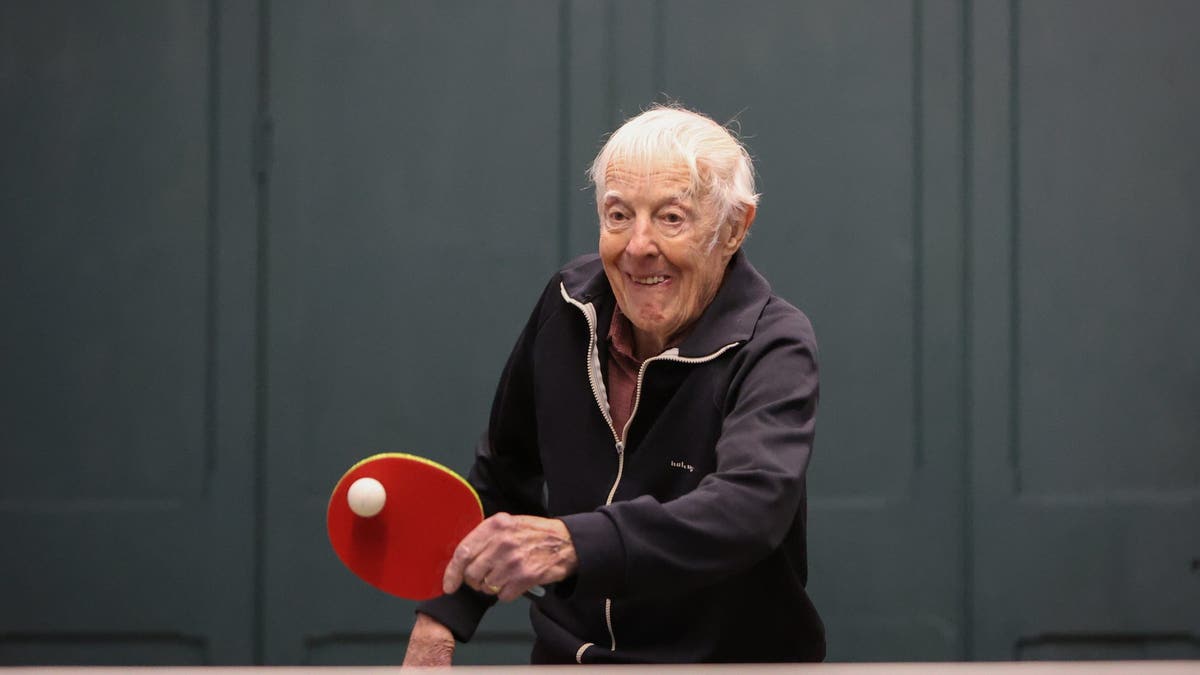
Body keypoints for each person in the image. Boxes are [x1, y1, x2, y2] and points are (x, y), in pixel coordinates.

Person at [402, 104, 824, 665]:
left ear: (733, 228)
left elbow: (750, 506)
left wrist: (574, 544)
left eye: (671, 218)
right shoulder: (567, 308)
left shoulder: (774, 341)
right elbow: (504, 474)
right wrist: (441, 619)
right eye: (618, 215)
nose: (638, 246)